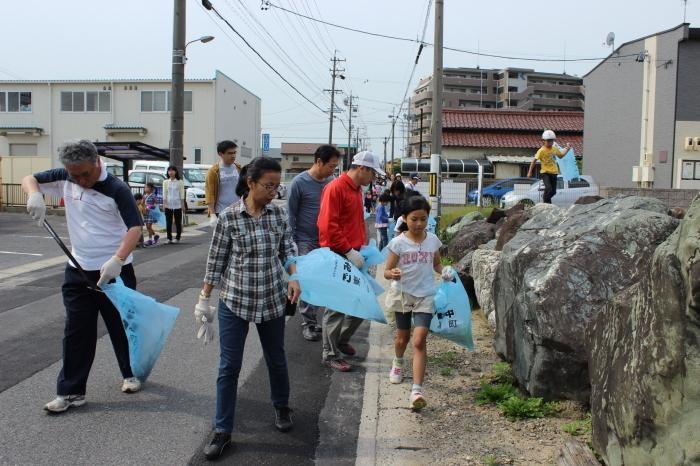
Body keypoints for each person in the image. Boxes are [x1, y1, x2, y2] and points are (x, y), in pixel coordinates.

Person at [21, 140, 143, 413]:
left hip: (114, 271)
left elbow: (135, 227)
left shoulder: (116, 189)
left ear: (97, 162)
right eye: (74, 175)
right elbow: (29, 178)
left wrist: (118, 260)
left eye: (85, 174)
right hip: (78, 269)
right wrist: (34, 194)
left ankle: (130, 372)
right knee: (76, 331)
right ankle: (71, 392)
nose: (80, 180)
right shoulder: (67, 176)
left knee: (121, 326)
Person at [196, 157, 301, 460]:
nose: (273, 192)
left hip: (271, 298)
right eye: (268, 186)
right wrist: (204, 299)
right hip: (235, 300)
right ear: (251, 182)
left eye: (276, 186)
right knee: (229, 367)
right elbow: (215, 262)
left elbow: (288, 247)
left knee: (276, 358)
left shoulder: (278, 215)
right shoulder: (229, 218)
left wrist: (293, 276)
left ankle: (281, 406)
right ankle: (222, 431)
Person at [383, 194, 455, 410]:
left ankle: (416, 391)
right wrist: (392, 273)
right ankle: (398, 362)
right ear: (404, 218)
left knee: (419, 340)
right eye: (414, 219)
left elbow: (437, 265)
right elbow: (386, 271)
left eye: (423, 219)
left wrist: (446, 271)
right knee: (402, 338)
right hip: (403, 295)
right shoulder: (397, 243)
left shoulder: (433, 240)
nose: (419, 223)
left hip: (426, 295)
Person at [317, 150, 386, 372]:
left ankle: (340, 340)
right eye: (373, 173)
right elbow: (327, 226)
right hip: (339, 254)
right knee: (337, 305)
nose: (373, 178)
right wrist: (348, 250)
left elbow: (355, 222)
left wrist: (362, 247)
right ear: (362, 168)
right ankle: (330, 352)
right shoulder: (336, 188)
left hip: (354, 252)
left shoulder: (356, 190)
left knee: (361, 301)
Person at [286, 144, 339, 342]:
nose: (333, 170)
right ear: (318, 162)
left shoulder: (330, 182)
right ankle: (307, 323)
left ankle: (313, 319)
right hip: (304, 239)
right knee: (307, 280)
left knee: (320, 281)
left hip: (325, 239)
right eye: (331, 166)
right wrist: (291, 243)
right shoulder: (299, 183)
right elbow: (291, 214)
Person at [527, 129, 571, 204]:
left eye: (551, 141)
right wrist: (529, 172)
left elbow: (561, 156)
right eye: (548, 141)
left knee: (553, 192)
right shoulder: (541, 151)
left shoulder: (554, 149)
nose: (550, 142)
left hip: (554, 173)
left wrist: (567, 149)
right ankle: (545, 200)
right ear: (543, 141)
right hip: (545, 173)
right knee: (549, 189)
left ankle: (547, 202)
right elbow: (534, 161)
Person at [205, 140, 242, 217]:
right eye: (230, 153)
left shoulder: (239, 168)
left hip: (238, 210)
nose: (233, 156)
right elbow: (209, 193)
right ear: (220, 154)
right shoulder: (214, 171)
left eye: (234, 153)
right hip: (221, 211)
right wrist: (212, 214)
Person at [162, 165, 185, 244]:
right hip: (168, 205)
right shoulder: (165, 182)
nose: (171, 172)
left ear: (175, 172)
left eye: (172, 170)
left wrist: (182, 205)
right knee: (168, 222)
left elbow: (182, 193)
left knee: (178, 222)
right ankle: (169, 238)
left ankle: (178, 237)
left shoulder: (180, 182)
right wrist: (164, 204)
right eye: (169, 171)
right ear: (167, 172)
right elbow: (164, 193)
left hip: (177, 205)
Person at [142, 182, 160, 246]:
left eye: (146, 187)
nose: (145, 189)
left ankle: (150, 239)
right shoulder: (144, 196)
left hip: (151, 213)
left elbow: (155, 204)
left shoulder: (153, 195)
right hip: (146, 213)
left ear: (151, 188)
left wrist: (149, 207)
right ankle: (155, 235)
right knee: (148, 227)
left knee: (149, 226)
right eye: (145, 187)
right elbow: (142, 204)